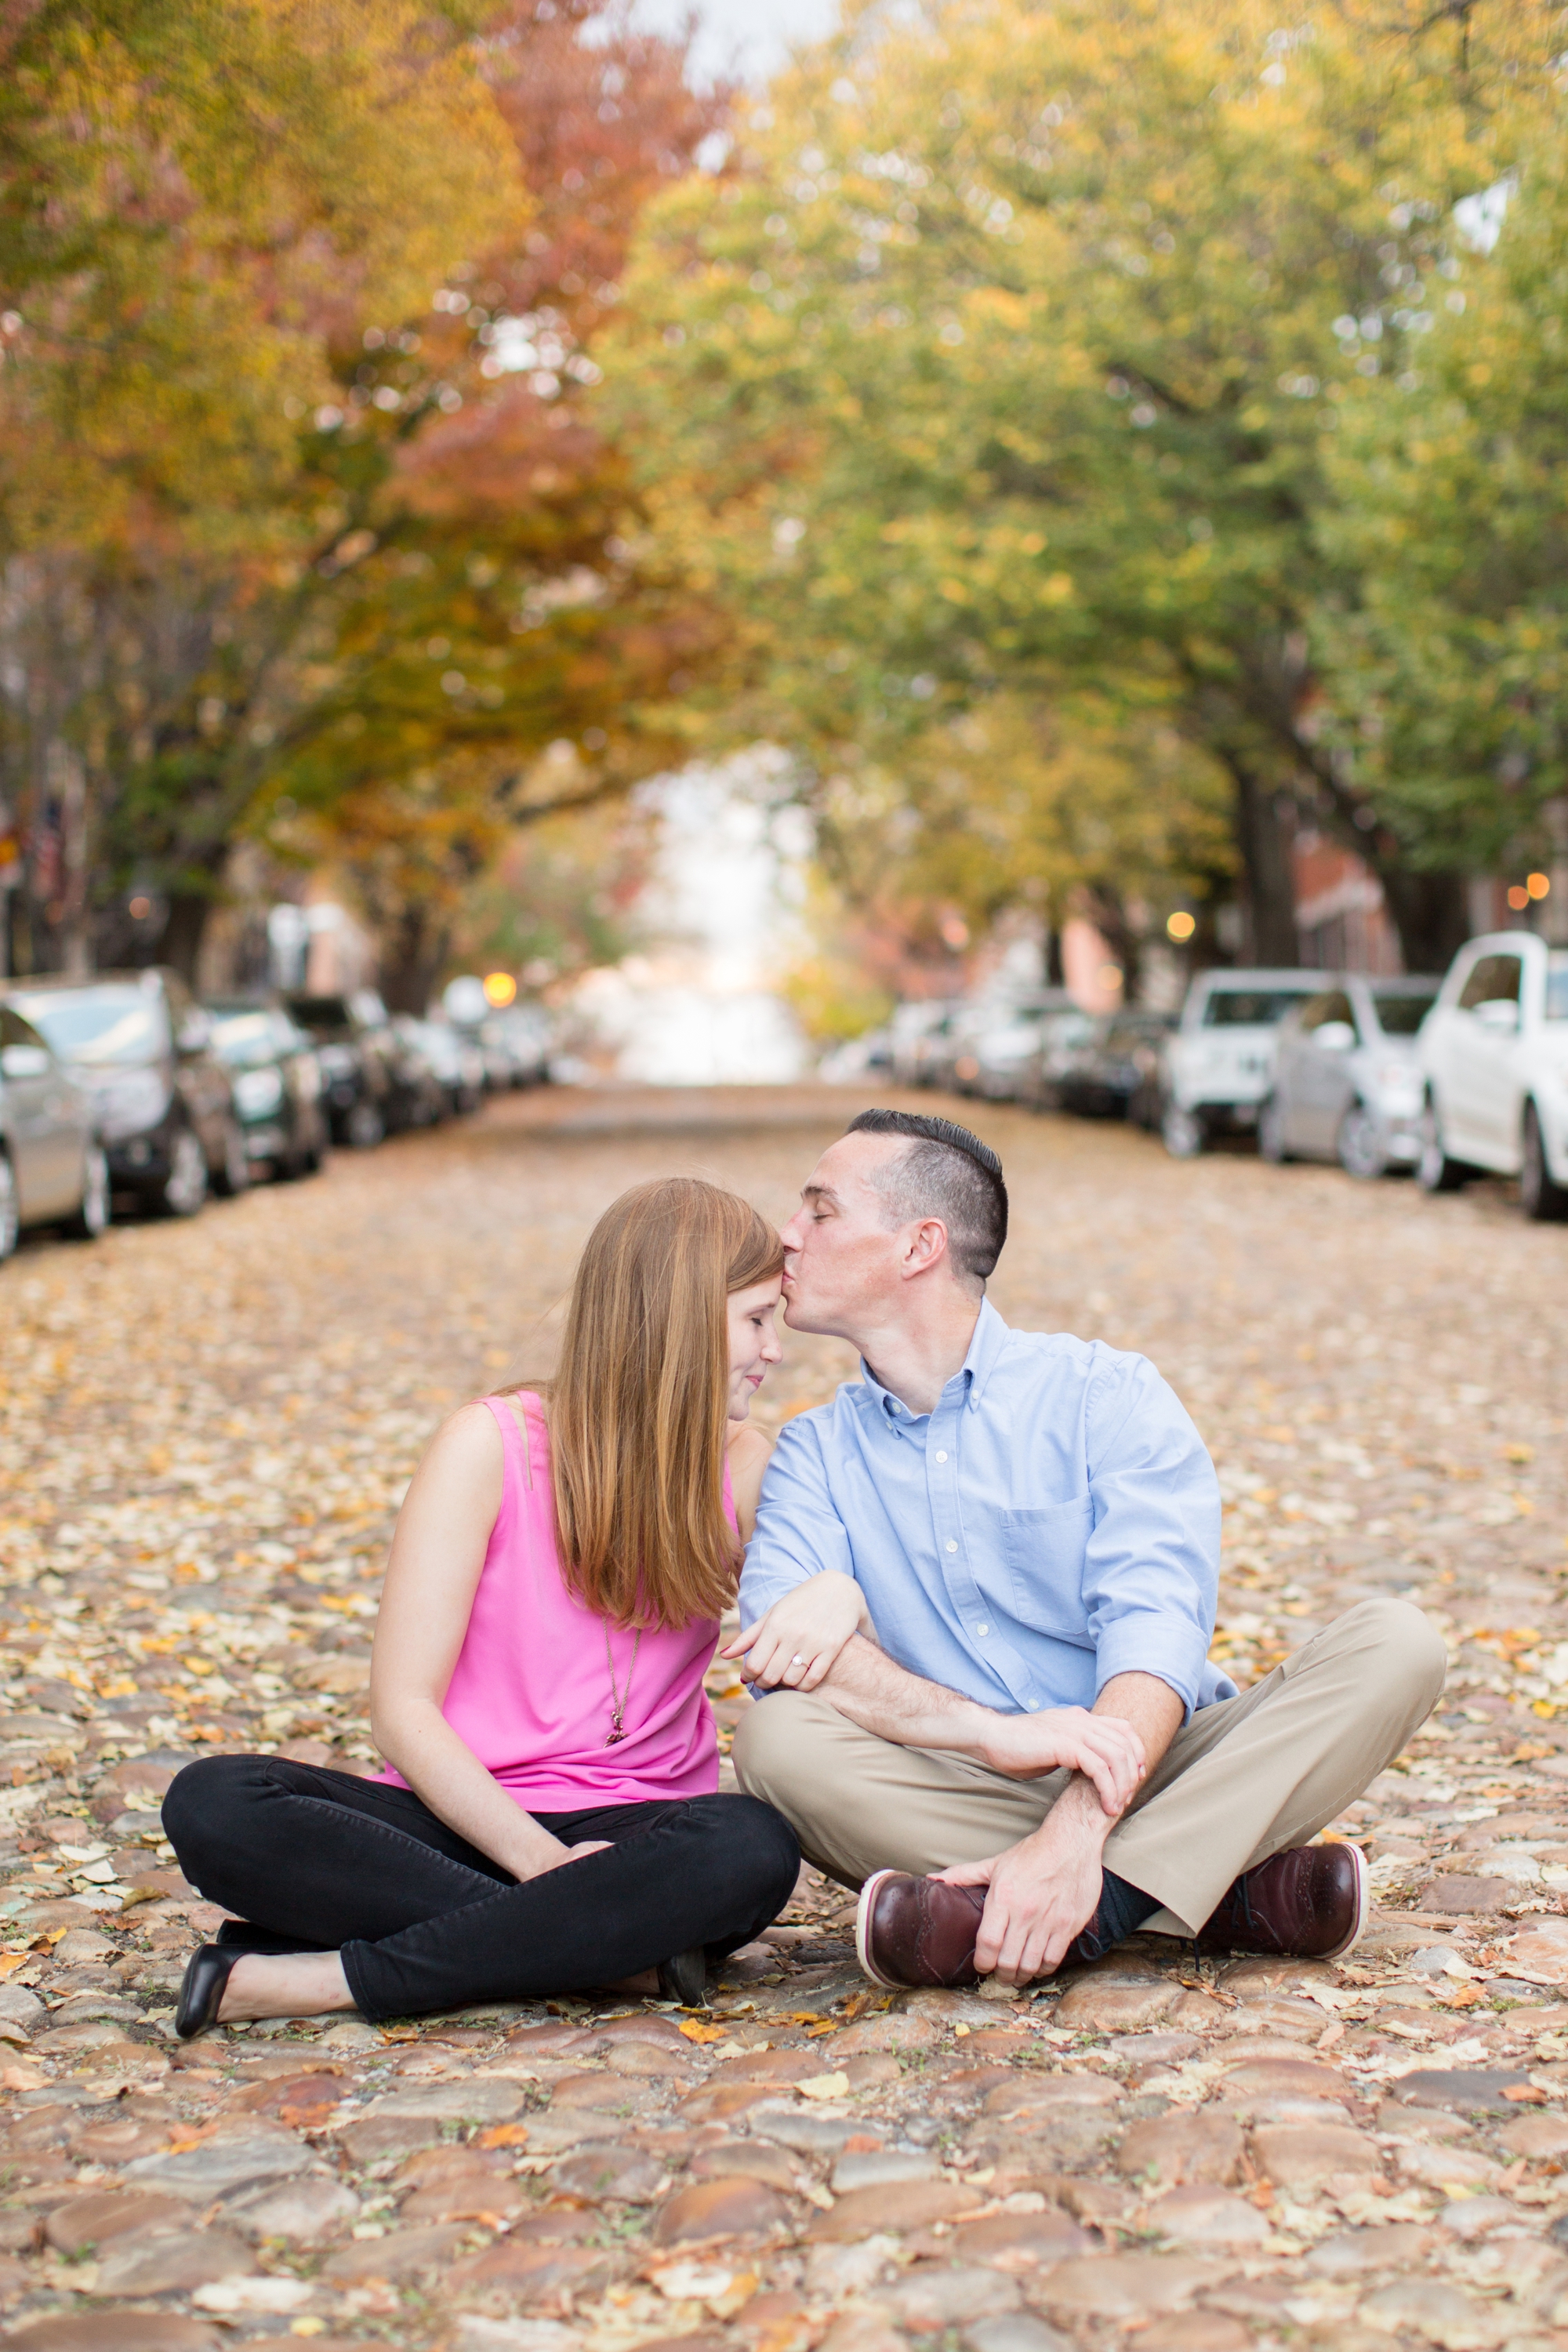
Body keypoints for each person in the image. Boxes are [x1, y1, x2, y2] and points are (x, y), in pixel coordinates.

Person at [727, 1108, 1446, 1991]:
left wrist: (1076, 1828)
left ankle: (1077, 1906)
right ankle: (1215, 1894)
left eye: (820, 1211)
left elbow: (1155, 1630)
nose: (787, 1236)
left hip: (1156, 1762)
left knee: (1394, 1643)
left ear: (919, 1246)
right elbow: (779, 1654)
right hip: (960, 1778)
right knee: (775, 1740)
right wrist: (995, 1737)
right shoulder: (812, 1452)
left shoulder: (1104, 1396)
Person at [162, 1178, 802, 2035]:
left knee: (751, 1848)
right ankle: (611, 1955)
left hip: (639, 1833)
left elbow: (841, 1623)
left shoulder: (748, 1466)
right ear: (681, 1319)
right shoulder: (489, 1445)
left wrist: (831, 1597)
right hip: (461, 1815)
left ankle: (329, 1979)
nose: (774, 1351)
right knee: (215, 1802)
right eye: (757, 1318)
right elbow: (402, 1707)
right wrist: (543, 1868)